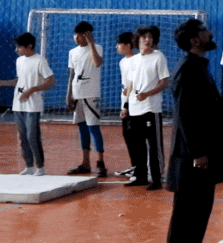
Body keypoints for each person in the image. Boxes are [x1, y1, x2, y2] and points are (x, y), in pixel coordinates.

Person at [167, 19, 223, 243]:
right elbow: (185, 115)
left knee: (199, 215)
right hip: (193, 158)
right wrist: (197, 152)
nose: (210, 33)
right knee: (187, 217)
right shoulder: (187, 69)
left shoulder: (198, 65)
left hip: (203, 152)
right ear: (195, 39)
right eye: (204, 31)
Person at [0, 33, 55, 176]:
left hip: (33, 105)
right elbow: (19, 81)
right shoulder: (19, 61)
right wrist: (3, 83)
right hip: (18, 104)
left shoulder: (39, 61)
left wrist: (32, 90)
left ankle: (40, 166)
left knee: (32, 135)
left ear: (29, 46)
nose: (17, 50)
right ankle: (29, 166)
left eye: (19, 47)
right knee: (23, 136)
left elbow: (50, 81)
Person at [122, 25, 170, 190]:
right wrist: (126, 105)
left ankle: (157, 179)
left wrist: (148, 93)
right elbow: (131, 83)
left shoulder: (159, 57)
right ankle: (141, 176)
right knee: (138, 145)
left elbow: (164, 82)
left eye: (150, 37)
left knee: (154, 145)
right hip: (135, 108)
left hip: (151, 108)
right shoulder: (134, 60)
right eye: (144, 37)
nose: (147, 40)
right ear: (138, 40)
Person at [65, 21, 107, 178]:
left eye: (81, 35)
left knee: (94, 128)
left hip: (91, 95)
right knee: (82, 129)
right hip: (77, 95)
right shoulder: (72, 52)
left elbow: (97, 63)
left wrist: (92, 44)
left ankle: (101, 163)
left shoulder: (97, 48)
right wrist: (68, 94)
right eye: (75, 34)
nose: (76, 38)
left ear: (87, 35)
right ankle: (85, 163)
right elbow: (72, 74)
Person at [114, 31, 138, 177]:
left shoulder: (136, 61)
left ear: (128, 45)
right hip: (125, 101)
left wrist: (127, 106)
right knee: (127, 134)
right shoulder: (122, 62)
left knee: (134, 136)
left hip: (133, 104)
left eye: (119, 44)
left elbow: (132, 85)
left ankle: (139, 166)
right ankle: (134, 165)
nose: (117, 47)